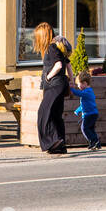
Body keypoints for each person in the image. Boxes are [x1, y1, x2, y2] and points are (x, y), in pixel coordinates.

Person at [35, 23, 70, 154]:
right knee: (55, 115)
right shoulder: (58, 47)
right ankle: (60, 145)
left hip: (54, 85)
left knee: (43, 114)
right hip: (60, 84)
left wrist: (48, 77)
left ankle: (52, 142)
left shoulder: (51, 48)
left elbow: (59, 65)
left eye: (38, 37)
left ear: (43, 36)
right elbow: (67, 64)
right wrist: (70, 79)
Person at [68, 71, 101, 150]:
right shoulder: (87, 92)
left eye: (79, 84)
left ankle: (93, 141)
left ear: (85, 83)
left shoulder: (87, 92)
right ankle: (96, 143)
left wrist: (70, 88)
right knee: (91, 129)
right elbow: (84, 104)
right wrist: (78, 110)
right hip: (92, 114)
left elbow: (77, 93)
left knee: (84, 128)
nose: (78, 86)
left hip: (90, 114)